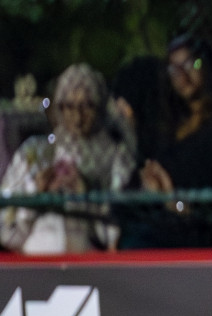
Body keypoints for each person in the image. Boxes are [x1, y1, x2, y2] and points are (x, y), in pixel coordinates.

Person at [0, 64, 134, 254]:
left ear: (100, 106)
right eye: (68, 106)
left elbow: (114, 238)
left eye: (87, 105)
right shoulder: (35, 153)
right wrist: (35, 194)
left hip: (90, 270)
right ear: (58, 108)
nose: (77, 117)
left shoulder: (116, 157)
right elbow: (7, 233)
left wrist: (85, 195)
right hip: (32, 267)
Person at [133, 37, 212, 247]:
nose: (183, 76)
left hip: (208, 234)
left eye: (191, 64)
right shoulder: (166, 130)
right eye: (174, 69)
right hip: (163, 226)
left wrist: (176, 204)